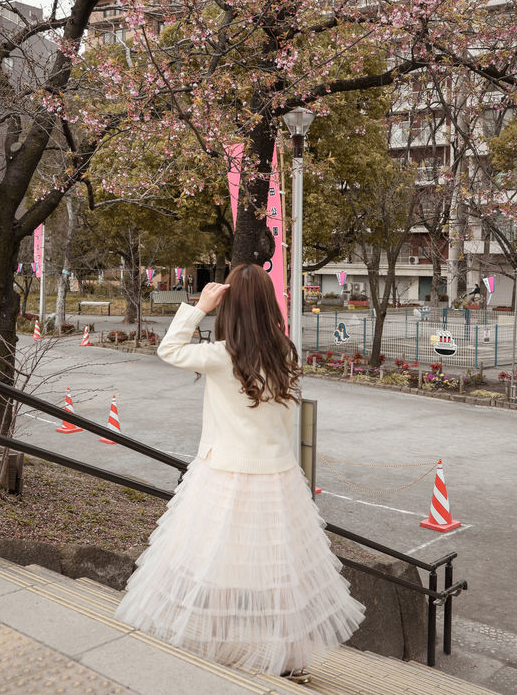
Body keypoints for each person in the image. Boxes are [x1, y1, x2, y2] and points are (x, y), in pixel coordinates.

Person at [114, 263, 365, 683]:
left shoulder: (221, 355)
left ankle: (216, 642)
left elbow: (169, 350)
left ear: (229, 308)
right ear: (269, 304)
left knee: (217, 559)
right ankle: (291, 659)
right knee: (281, 567)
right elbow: (285, 423)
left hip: (222, 473)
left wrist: (199, 306)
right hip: (277, 476)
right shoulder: (284, 352)